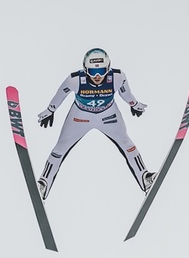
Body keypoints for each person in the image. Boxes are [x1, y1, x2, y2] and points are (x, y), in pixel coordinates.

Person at [36, 48, 155, 200]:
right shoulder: (75, 80)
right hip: (80, 117)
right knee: (60, 148)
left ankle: (145, 178)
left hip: (108, 116)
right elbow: (60, 95)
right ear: (85, 70)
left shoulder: (118, 77)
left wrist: (134, 104)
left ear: (108, 68)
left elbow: (126, 93)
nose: (97, 76)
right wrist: (50, 110)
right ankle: (43, 184)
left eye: (101, 71)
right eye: (92, 72)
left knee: (127, 144)